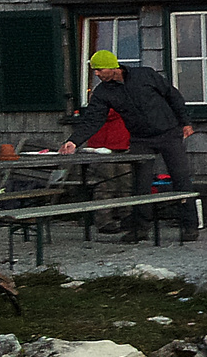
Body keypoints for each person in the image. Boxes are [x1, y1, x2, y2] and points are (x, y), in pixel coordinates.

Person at [60, 50, 199, 241]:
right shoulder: (103, 92)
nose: (97, 74)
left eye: (100, 70)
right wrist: (73, 141)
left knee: (181, 180)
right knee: (140, 185)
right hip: (140, 139)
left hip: (169, 133)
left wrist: (185, 121)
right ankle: (141, 228)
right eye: (95, 71)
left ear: (112, 66)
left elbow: (172, 95)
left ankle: (190, 226)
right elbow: (93, 120)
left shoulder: (145, 75)